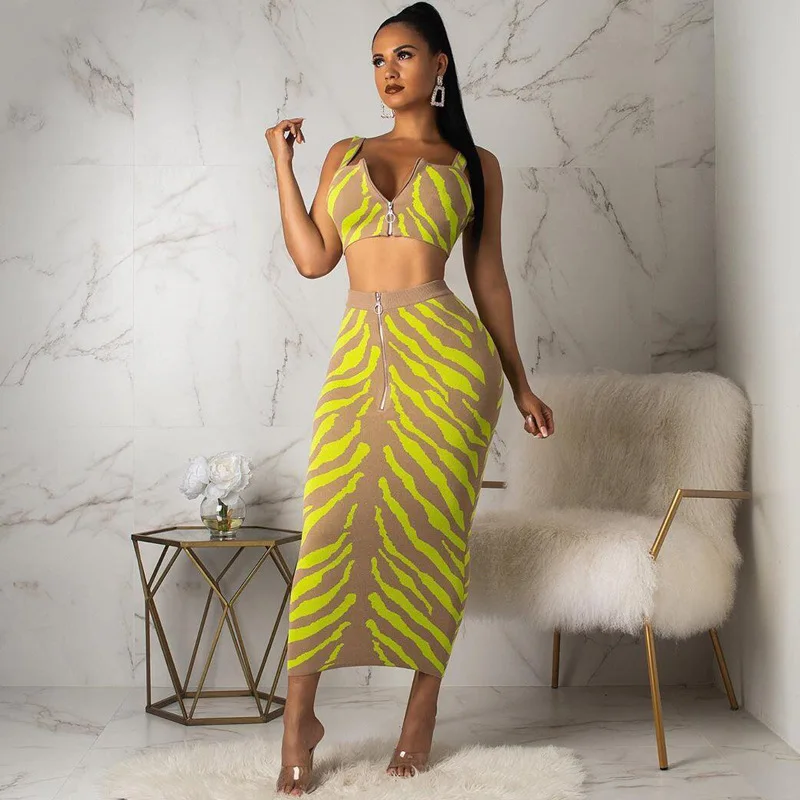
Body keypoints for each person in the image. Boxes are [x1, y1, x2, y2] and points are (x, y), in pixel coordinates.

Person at [264, 2, 554, 794]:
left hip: (450, 369)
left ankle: (420, 713)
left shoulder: (475, 165)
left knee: (432, 534)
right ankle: (299, 719)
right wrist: (282, 166)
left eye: (403, 55)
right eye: (377, 59)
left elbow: (489, 281)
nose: (387, 71)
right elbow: (314, 259)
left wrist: (520, 383)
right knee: (332, 526)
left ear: (439, 65)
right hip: (360, 360)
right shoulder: (344, 154)